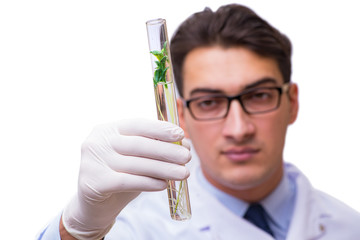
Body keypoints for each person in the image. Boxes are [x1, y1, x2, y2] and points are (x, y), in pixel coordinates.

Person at [37, 4, 360, 240]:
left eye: (259, 96)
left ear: (292, 103)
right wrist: (77, 229)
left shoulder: (349, 227)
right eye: (209, 102)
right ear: (181, 117)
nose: (239, 129)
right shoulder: (135, 228)